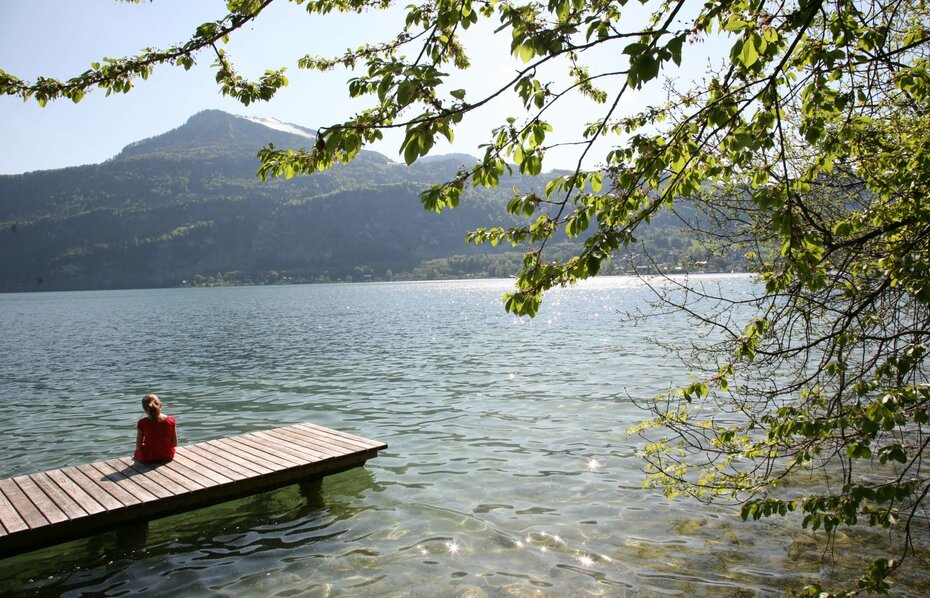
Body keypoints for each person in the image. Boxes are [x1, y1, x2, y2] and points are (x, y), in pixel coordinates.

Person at [133, 393, 178, 463]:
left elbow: (138, 447)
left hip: (148, 457)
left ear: (144, 409)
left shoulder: (142, 423)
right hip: (167, 455)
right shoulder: (171, 420)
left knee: (137, 453)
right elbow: (174, 444)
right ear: (161, 405)